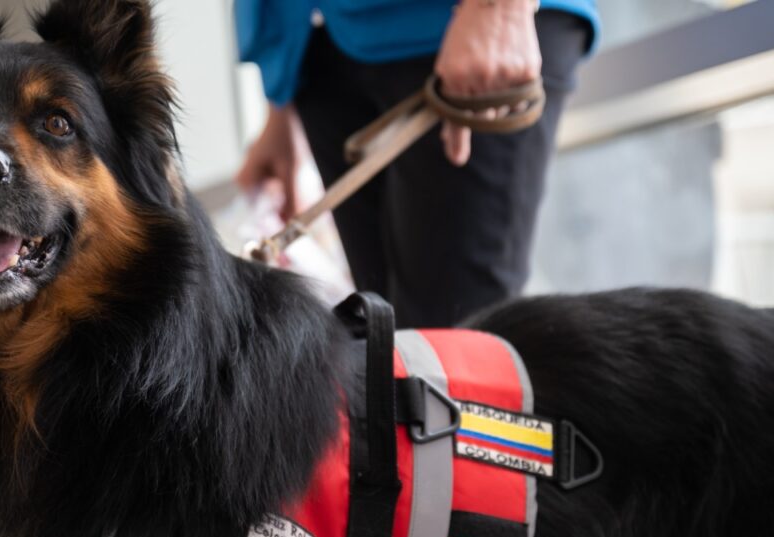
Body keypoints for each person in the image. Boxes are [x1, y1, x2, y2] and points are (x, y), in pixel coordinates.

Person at [235, 0, 598, 327]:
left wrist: (499, 10)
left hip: (460, 28)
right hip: (326, 38)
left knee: (454, 350)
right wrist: (280, 104)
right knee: (391, 348)